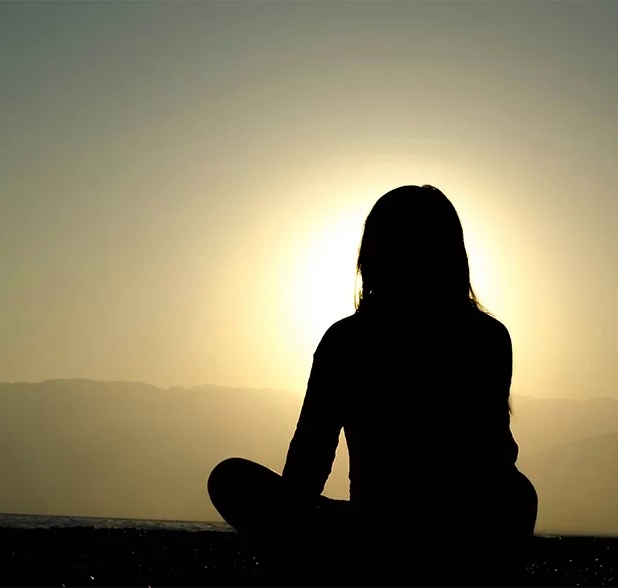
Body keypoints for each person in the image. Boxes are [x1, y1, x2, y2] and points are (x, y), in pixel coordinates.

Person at [208, 185, 538, 582]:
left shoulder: (347, 340)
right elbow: (495, 457)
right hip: (451, 534)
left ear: (371, 255)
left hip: (382, 534)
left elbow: (308, 464)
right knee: (517, 494)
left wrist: (284, 530)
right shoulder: (487, 336)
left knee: (231, 479)